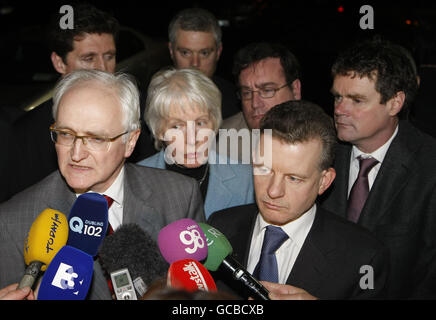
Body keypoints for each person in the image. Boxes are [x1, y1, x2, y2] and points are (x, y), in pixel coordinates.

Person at [0, 69, 205, 299]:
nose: (76, 154)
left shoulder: (179, 197)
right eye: (66, 134)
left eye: (96, 138)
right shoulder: (12, 223)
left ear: (131, 141)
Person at [208, 101, 389, 300]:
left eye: (294, 178)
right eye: (264, 169)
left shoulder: (363, 257)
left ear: (324, 182)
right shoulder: (219, 228)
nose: (273, 191)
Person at [320, 37, 436, 299]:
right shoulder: (319, 149)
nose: (340, 109)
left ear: (395, 103)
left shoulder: (429, 168)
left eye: (357, 100)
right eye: (337, 96)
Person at [4, 3, 155, 203]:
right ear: (59, 62)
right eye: (88, 58)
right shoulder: (26, 137)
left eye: (109, 56)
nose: (102, 68)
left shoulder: (140, 117)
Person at [137, 68, 254, 219]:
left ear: (214, 123)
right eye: (177, 126)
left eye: (200, 123)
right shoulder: (135, 182)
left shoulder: (244, 180)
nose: (192, 139)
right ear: (159, 130)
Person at [218, 42, 301, 162]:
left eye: (267, 90)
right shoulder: (221, 143)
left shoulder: (324, 135)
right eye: (247, 93)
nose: (255, 103)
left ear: (295, 90)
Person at [168, 7, 240, 119]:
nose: (195, 63)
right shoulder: (147, 104)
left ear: (218, 52)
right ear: (171, 51)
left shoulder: (237, 103)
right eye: (185, 52)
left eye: (204, 53)